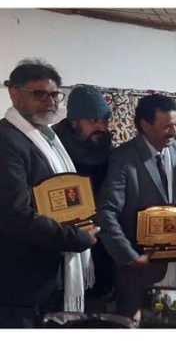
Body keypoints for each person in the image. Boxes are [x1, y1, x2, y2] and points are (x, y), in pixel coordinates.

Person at [0, 58, 97, 327]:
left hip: (47, 274)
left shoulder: (47, 138)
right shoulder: (7, 140)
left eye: (55, 94)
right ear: (15, 93)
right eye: (40, 94)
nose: (50, 101)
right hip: (19, 282)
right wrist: (74, 238)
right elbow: (15, 216)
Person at [96, 94, 176, 319]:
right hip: (138, 269)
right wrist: (129, 257)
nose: (173, 132)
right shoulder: (123, 157)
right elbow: (106, 211)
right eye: (166, 126)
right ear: (145, 125)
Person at [53, 84, 115, 313]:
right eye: (93, 120)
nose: (101, 127)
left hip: (100, 246)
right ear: (74, 121)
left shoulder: (108, 150)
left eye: (105, 120)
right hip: (60, 243)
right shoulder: (54, 148)